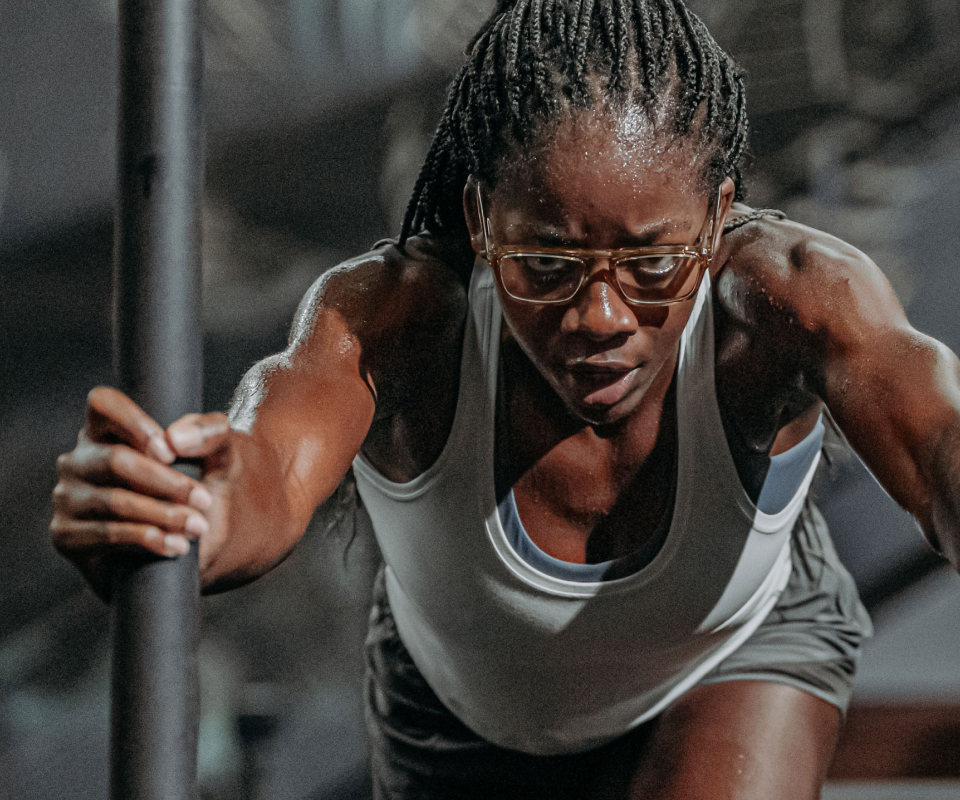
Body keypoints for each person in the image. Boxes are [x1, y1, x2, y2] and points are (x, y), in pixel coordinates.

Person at [51, 1, 960, 797]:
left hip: (734, 658)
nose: (601, 316)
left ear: (719, 219)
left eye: (650, 264)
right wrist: (184, 505)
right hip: (464, 716)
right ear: (483, 220)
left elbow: (937, 448)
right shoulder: (396, 316)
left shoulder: (791, 300)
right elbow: (267, 475)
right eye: (547, 265)